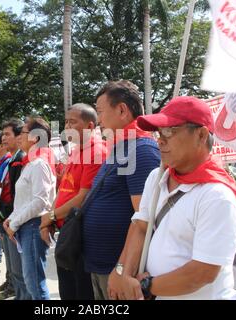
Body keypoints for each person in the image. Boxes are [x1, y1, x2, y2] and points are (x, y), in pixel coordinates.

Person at [108, 96, 236, 300]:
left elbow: (202, 272)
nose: (160, 140)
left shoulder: (216, 196)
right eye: (159, 132)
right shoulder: (157, 177)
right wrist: (123, 271)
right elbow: (141, 226)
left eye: (170, 131)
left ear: (201, 135)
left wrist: (146, 286)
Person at [82, 80, 161, 300]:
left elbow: (145, 224)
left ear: (122, 110)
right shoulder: (122, 147)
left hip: (118, 272)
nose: (98, 121)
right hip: (104, 268)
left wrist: (122, 270)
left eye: (100, 112)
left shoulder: (141, 151)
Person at [40, 103, 107, 300]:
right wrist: (50, 219)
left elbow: (83, 197)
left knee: (82, 292)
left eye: (73, 122)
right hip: (66, 229)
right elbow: (64, 191)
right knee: (68, 291)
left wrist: (50, 216)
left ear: (89, 126)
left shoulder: (97, 152)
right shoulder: (77, 151)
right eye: (66, 122)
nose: (67, 127)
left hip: (82, 235)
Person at [4, 117, 56, 300]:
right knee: (31, 281)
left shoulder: (39, 164)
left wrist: (15, 222)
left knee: (35, 284)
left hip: (33, 227)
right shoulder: (31, 164)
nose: (19, 137)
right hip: (27, 226)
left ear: (35, 137)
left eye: (23, 133)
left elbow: (40, 202)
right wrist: (11, 218)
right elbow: (24, 201)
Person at [0, 119, 31, 300]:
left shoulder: (20, 160)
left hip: (14, 220)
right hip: (6, 220)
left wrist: (0, 215)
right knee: (14, 268)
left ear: (19, 136)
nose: (3, 138)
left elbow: (17, 197)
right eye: (3, 134)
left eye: (8, 134)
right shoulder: (11, 161)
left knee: (21, 271)